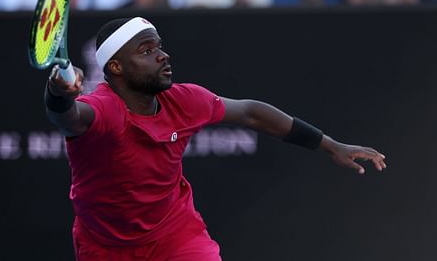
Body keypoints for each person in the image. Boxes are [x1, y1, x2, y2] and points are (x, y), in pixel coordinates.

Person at [44, 17, 387, 260]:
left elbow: (251, 112)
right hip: (104, 248)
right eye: (146, 51)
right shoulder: (101, 110)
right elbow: (67, 117)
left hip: (175, 235)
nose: (162, 55)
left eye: (160, 47)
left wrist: (330, 145)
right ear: (116, 68)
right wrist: (57, 93)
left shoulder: (185, 99)